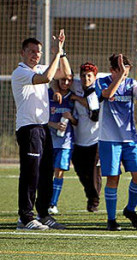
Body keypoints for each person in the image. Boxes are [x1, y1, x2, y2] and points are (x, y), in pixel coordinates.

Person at [12, 30, 70, 230]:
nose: (36, 55)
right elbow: (46, 78)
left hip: (43, 128)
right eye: (32, 51)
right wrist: (55, 56)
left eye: (38, 52)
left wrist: (61, 52)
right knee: (31, 173)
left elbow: (65, 74)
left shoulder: (40, 67)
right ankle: (25, 217)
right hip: (29, 128)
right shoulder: (21, 72)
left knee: (46, 172)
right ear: (23, 53)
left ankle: (43, 214)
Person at [95, 53, 137, 231]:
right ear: (112, 70)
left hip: (130, 139)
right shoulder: (102, 81)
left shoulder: (130, 83)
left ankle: (130, 210)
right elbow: (108, 93)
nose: (125, 74)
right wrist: (118, 78)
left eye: (127, 71)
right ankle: (111, 219)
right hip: (109, 139)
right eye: (121, 70)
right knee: (113, 178)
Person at [70, 62, 102, 213]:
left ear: (94, 77)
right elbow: (57, 80)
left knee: (94, 172)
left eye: (89, 76)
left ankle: (94, 201)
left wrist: (76, 98)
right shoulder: (75, 85)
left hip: (94, 139)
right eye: (83, 75)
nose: (86, 78)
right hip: (78, 139)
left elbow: (94, 112)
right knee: (80, 171)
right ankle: (91, 196)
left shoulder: (97, 90)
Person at [47, 74, 76, 215]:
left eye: (68, 80)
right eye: (62, 79)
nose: (65, 82)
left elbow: (78, 121)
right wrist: (54, 125)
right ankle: (44, 201)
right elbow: (40, 118)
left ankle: (53, 204)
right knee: (47, 172)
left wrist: (71, 118)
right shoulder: (49, 94)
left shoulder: (73, 97)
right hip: (49, 141)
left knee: (59, 171)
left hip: (66, 142)